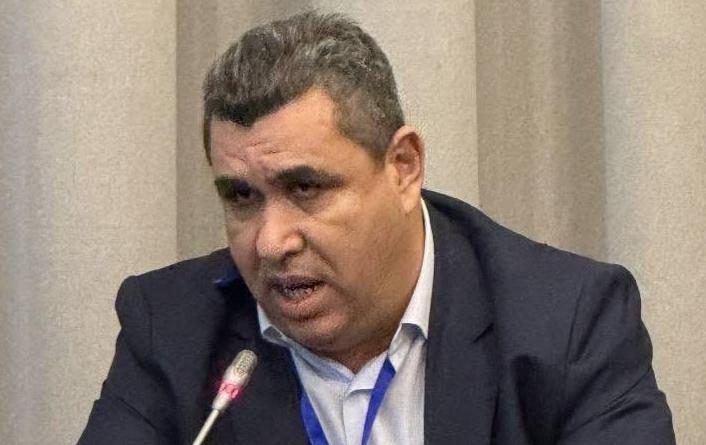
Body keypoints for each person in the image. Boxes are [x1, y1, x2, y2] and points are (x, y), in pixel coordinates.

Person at [78, 11, 675, 445]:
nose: (271, 242)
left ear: (403, 167)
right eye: (241, 197)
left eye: (305, 188)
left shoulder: (567, 321)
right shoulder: (171, 328)